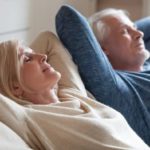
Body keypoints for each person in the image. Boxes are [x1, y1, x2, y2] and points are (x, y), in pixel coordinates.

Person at [1, 31, 149, 149]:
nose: (43, 56)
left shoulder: (71, 93)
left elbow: (48, 39)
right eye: (27, 59)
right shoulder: (28, 117)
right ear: (15, 86)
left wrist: (20, 57)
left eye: (33, 53)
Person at [55, 5, 150, 145]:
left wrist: (124, 24)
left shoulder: (144, 57)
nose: (139, 34)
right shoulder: (116, 88)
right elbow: (67, 17)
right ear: (102, 50)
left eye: (135, 27)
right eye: (125, 32)